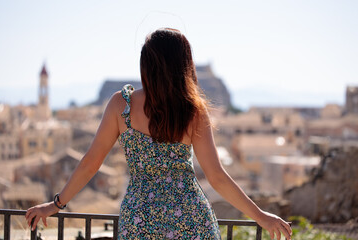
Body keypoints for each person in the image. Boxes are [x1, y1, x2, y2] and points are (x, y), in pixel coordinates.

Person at [26, 28, 292, 240]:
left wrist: (55, 204)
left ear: (147, 65)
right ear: (184, 66)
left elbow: (90, 163)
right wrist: (260, 216)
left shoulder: (122, 105)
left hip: (140, 220)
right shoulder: (193, 112)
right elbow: (217, 177)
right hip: (191, 218)